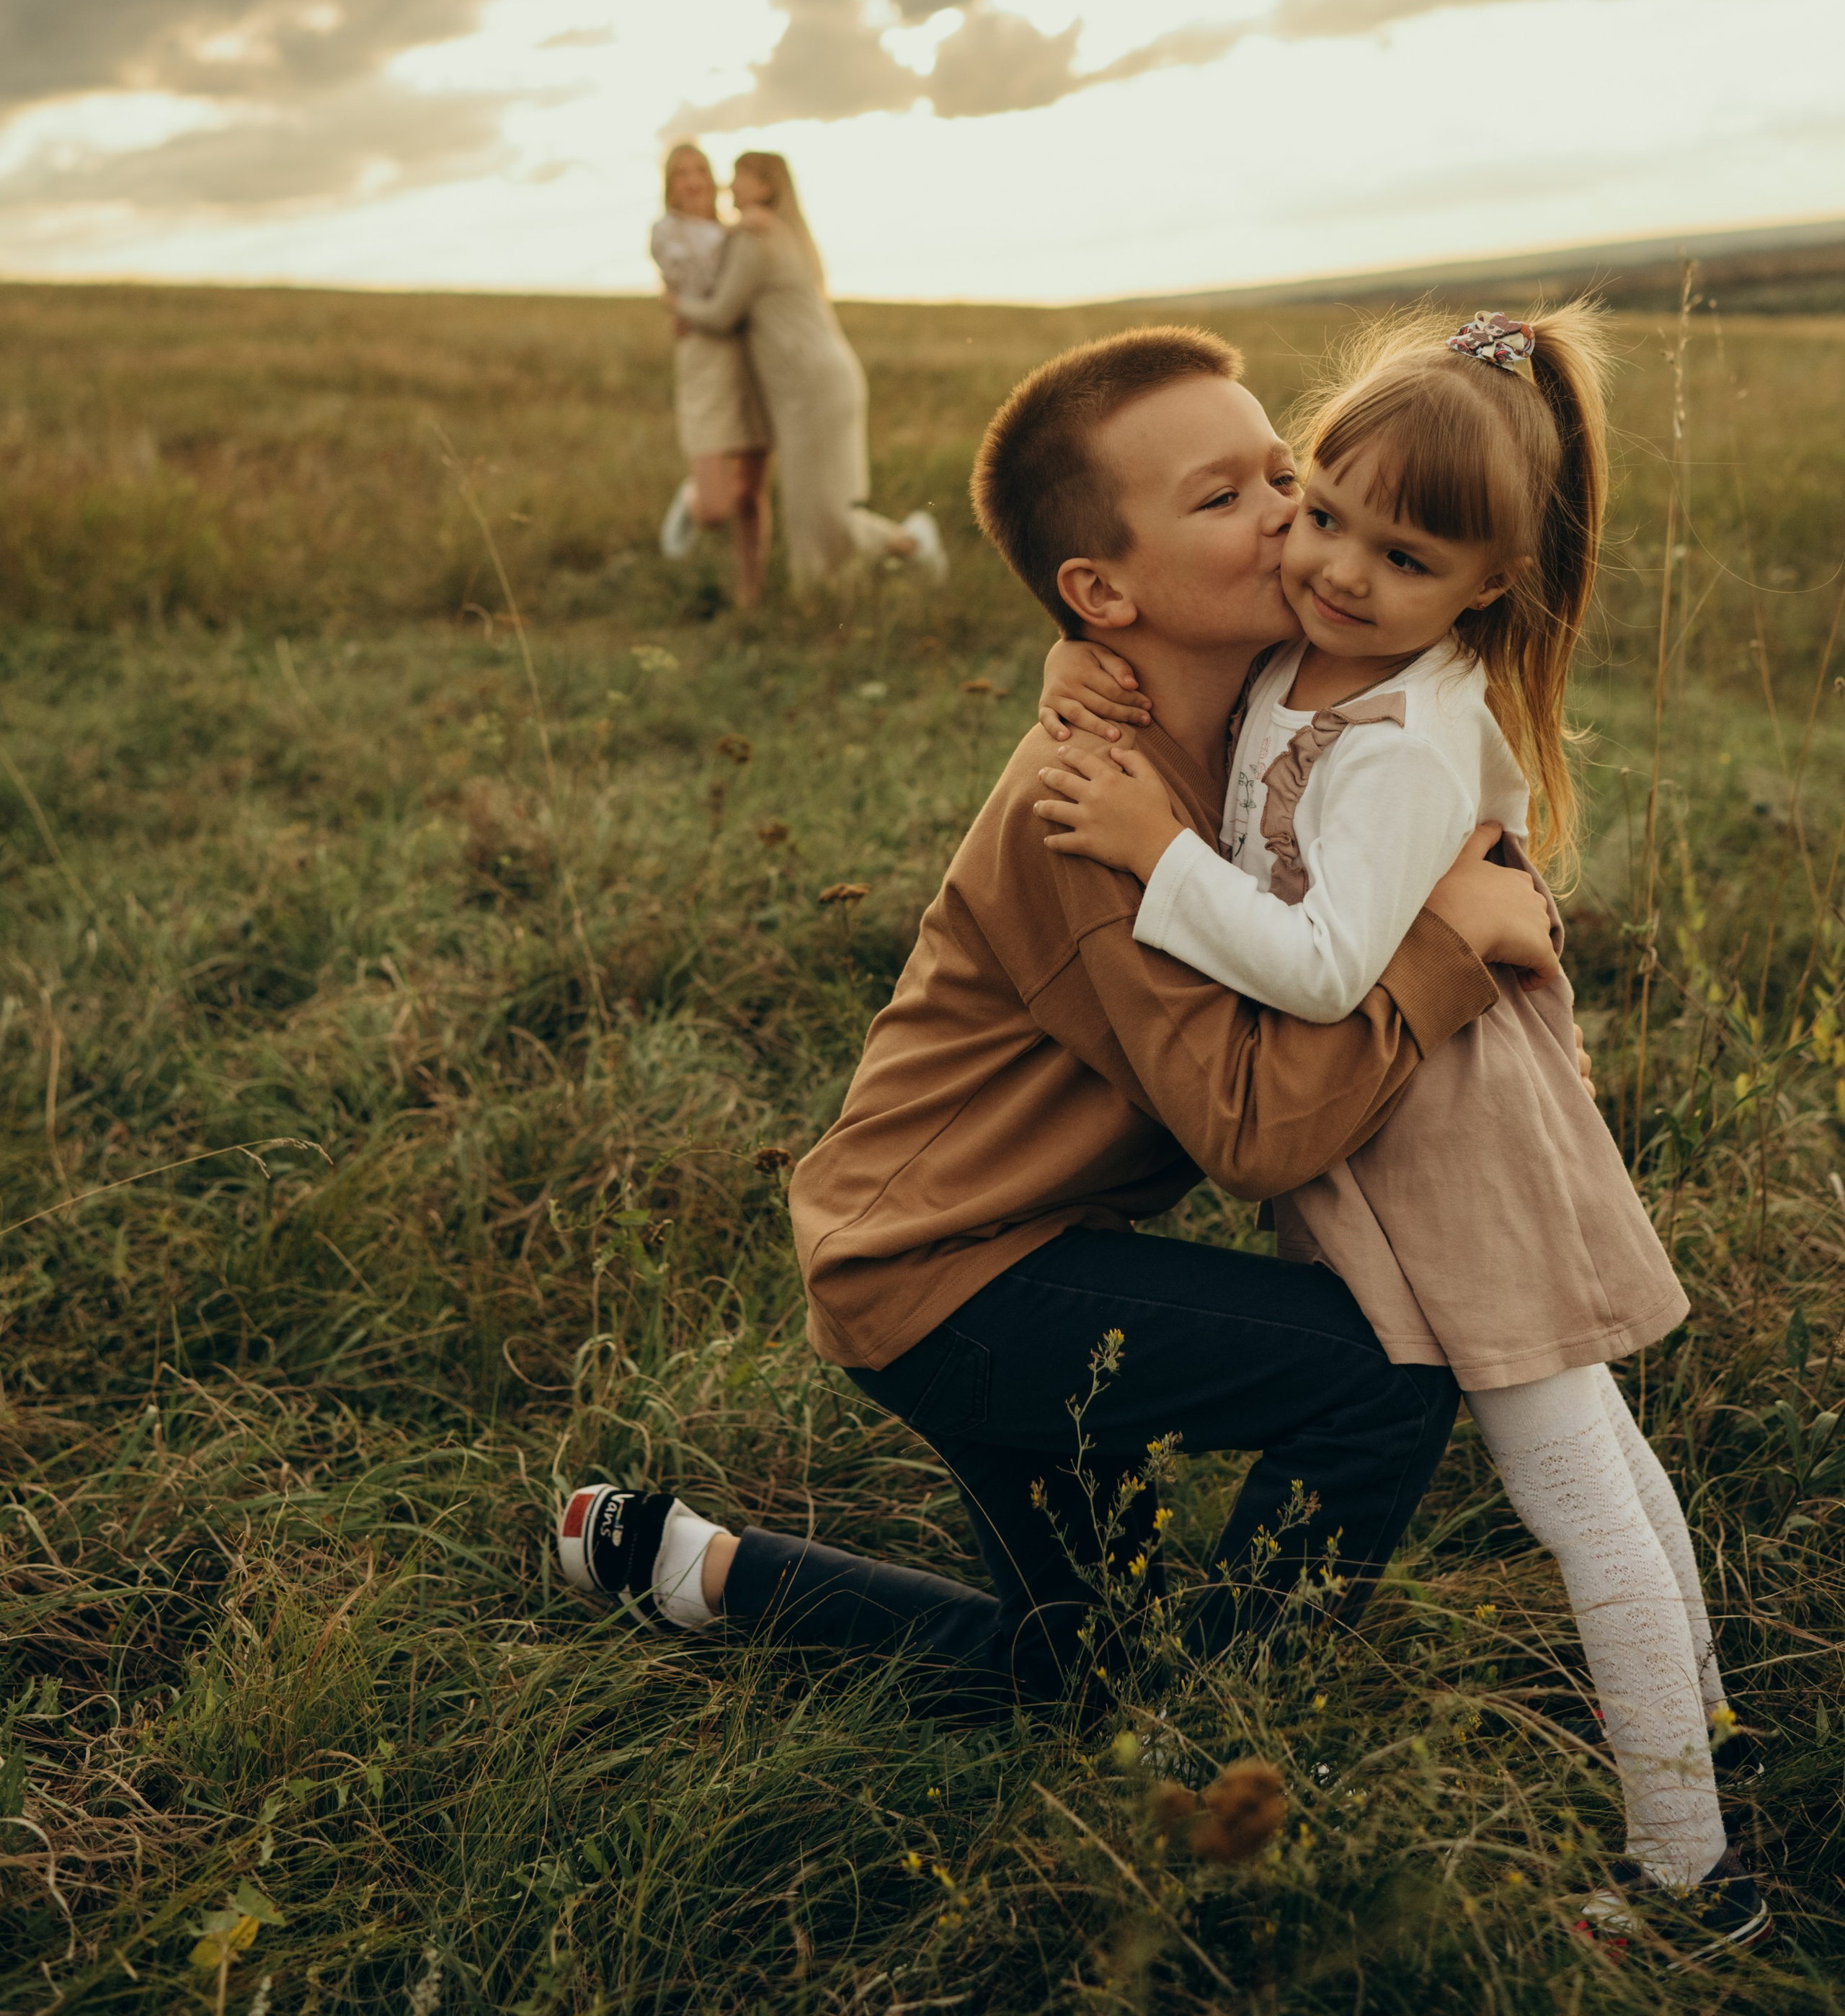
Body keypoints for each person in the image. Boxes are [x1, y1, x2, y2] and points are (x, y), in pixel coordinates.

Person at [554, 329, 1565, 1716]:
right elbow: (1257, 1133)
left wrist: (1074, 651)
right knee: (1380, 1377)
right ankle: (1225, 1739)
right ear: (1102, 586)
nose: (1292, 517)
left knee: (1079, 1677)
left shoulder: (1241, 717)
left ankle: (703, 1570)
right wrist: (1450, 950)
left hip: (986, 1245)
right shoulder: (1097, 811)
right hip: (951, 1275)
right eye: (1227, 501)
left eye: (1285, 470)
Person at [1031, 307, 1766, 1962]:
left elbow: (1316, 964)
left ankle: (1687, 1873)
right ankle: (1709, 1735)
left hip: (1453, 1152)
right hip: (1403, 1126)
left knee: (1568, 1478)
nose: (1341, 567)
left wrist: (1154, 847)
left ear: (1485, 583)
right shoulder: (1309, 659)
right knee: (1603, 1458)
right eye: (1324, 509)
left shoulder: (1407, 742)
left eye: (1405, 551)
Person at [669, 151, 946, 591]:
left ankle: (907, 543)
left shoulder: (754, 238)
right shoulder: (783, 233)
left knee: (819, 511)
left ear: (765, 186)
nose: (729, 184)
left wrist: (677, 305)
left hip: (809, 387)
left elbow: (721, 314)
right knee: (815, 508)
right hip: (825, 380)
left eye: (740, 176)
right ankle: (828, 589)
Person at [650, 143, 772, 607]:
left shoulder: (732, 228)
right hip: (703, 362)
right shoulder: (666, 231)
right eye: (682, 173)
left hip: (749, 359)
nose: (694, 180)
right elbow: (703, 284)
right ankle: (692, 500)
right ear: (670, 185)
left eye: (700, 170)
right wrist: (742, 234)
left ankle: (750, 595)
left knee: (750, 496)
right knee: (718, 507)